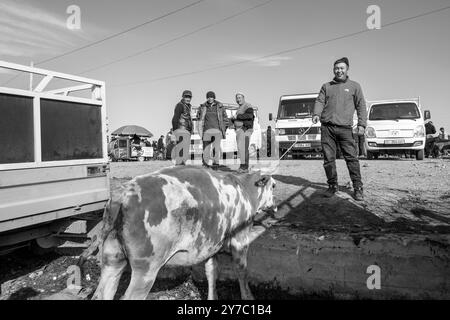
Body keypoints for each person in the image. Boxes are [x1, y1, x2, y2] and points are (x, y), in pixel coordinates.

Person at [312, 57, 367, 201]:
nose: (339, 70)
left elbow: (361, 105)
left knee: (351, 158)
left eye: (342, 68)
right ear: (333, 70)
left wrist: (362, 124)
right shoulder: (326, 86)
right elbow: (319, 101)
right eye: (336, 68)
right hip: (327, 128)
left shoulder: (355, 86)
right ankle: (332, 186)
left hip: (345, 129)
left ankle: (358, 188)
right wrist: (316, 114)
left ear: (347, 69)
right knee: (328, 159)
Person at [198, 91, 229, 169]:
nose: (210, 98)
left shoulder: (220, 106)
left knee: (216, 148)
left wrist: (224, 129)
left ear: (214, 97)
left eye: (211, 97)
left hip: (217, 131)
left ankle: (215, 163)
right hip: (206, 131)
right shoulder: (203, 107)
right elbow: (199, 118)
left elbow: (225, 118)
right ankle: (205, 163)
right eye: (208, 97)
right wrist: (200, 131)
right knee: (206, 149)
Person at [233, 93, 255, 173]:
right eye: (237, 98)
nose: (238, 99)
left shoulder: (247, 105)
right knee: (241, 148)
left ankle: (244, 167)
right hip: (240, 130)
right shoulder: (240, 108)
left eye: (239, 97)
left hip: (246, 129)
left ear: (243, 98)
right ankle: (243, 166)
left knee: (244, 148)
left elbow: (249, 116)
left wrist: (237, 117)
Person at [171, 90, 193, 164]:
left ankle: (181, 167)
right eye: (186, 97)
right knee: (181, 150)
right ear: (183, 97)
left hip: (187, 131)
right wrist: (174, 132)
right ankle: (178, 167)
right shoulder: (180, 105)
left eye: (189, 97)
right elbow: (175, 119)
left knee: (185, 152)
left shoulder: (188, 106)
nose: (188, 99)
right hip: (180, 130)